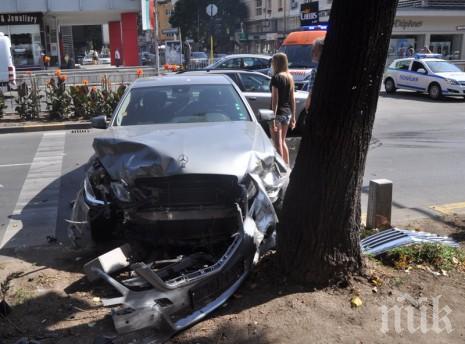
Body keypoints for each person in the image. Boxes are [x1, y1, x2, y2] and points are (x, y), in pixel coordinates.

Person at [269, 52, 296, 165]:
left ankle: (281, 168)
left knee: (277, 143)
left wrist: (273, 117)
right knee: (283, 141)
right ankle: (287, 166)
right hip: (287, 113)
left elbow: (275, 100)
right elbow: (292, 99)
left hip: (278, 114)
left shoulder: (276, 78)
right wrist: (293, 117)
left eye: (273, 62)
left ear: (276, 63)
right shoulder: (290, 77)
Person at [305, 38, 324, 112]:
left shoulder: (315, 70)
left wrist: (308, 105)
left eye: (315, 50)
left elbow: (311, 91)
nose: (312, 52)